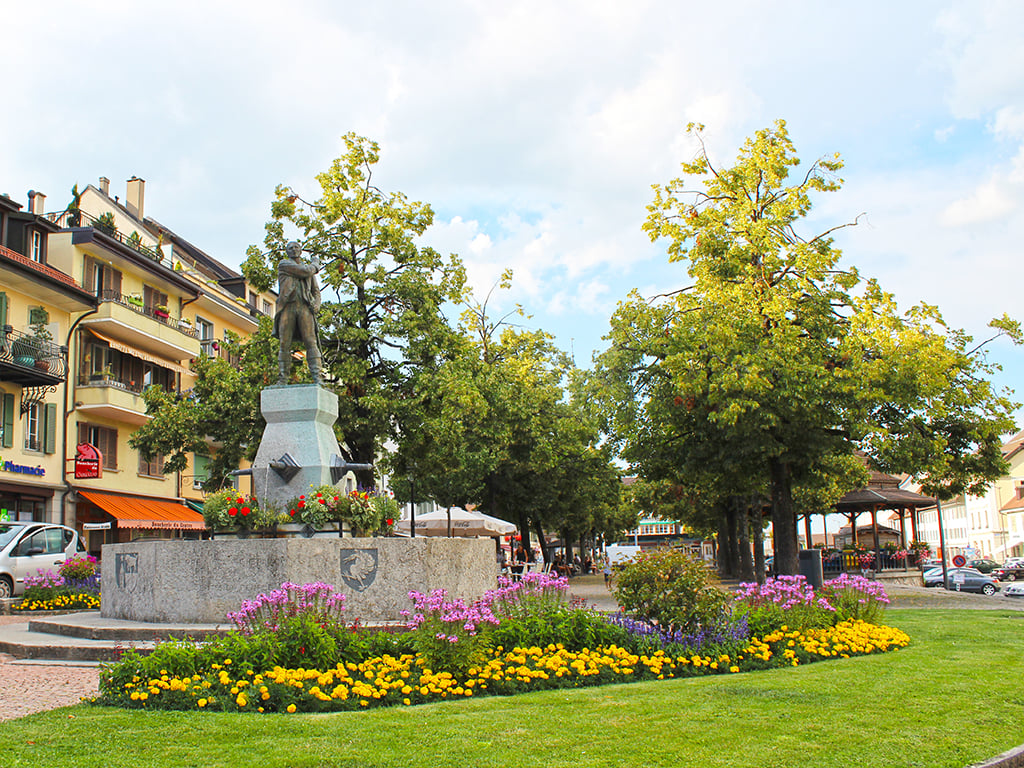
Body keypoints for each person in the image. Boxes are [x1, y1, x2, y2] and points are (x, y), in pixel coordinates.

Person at [273, 241, 323, 385]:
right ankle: (283, 379)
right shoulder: (284, 265)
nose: (294, 250)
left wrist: (317, 305)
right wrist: (316, 264)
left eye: (296, 247)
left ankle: (318, 378)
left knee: (311, 341)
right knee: (284, 343)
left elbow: (316, 291)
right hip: (288, 307)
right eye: (290, 248)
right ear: (287, 252)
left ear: (300, 251)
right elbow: (305, 271)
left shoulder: (308, 271)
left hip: (304, 307)